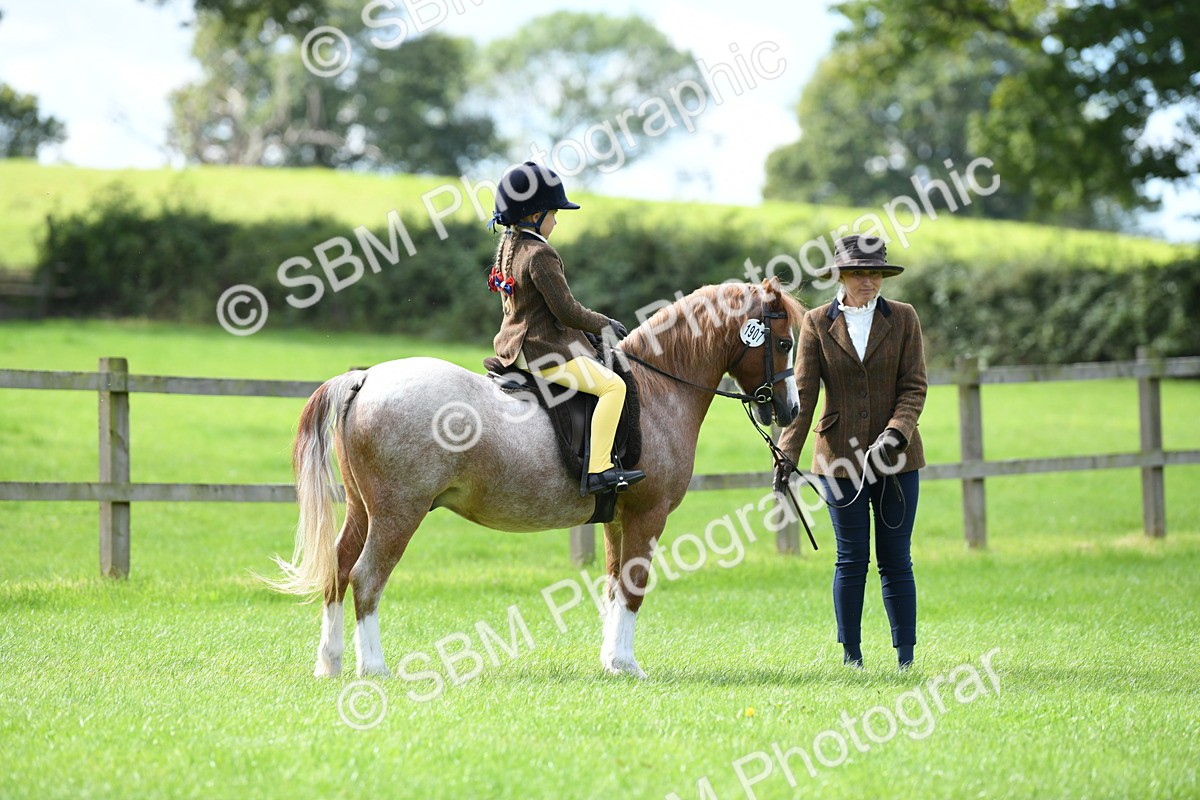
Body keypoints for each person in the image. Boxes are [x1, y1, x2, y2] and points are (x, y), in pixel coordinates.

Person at [773, 234, 927, 669]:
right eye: (860, 273)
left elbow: (914, 386)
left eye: (875, 272)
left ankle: (906, 658)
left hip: (898, 461)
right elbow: (802, 394)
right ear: (841, 275)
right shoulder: (818, 323)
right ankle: (852, 658)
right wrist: (786, 454)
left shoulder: (904, 318)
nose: (869, 281)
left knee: (896, 558)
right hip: (837, 461)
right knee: (851, 559)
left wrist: (896, 433)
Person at [489, 161, 645, 495]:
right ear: (534, 215)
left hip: (511, 348)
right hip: (541, 351)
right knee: (613, 387)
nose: (557, 220)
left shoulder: (508, 245)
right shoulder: (540, 253)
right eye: (553, 213)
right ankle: (599, 469)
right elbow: (567, 310)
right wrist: (606, 323)